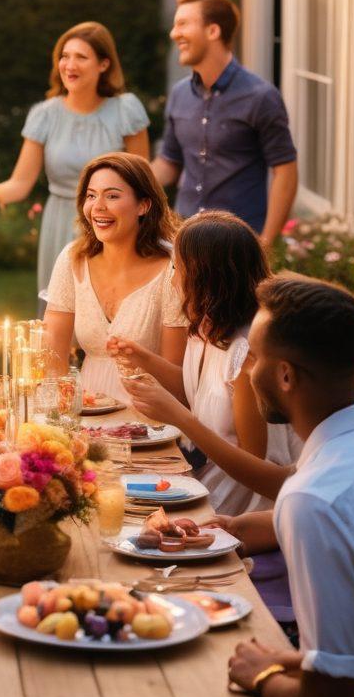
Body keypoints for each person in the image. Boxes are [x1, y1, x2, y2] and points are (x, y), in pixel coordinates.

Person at [225, 274, 354, 697]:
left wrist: (261, 675)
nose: (250, 372)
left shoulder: (312, 499)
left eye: (255, 359)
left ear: (285, 375)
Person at [115, 212, 295, 513]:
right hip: (201, 478)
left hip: (241, 504)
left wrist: (179, 418)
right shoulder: (205, 330)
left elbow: (255, 467)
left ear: (208, 277)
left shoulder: (247, 354)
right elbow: (196, 394)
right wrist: (144, 359)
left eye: (177, 268)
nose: (172, 279)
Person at [0, 22, 150, 300]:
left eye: (81, 57)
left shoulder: (126, 111)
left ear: (104, 64)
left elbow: (142, 184)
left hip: (113, 225)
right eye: (64, 56)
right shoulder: (45, 114)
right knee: (61, 312)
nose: (69, 64)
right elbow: (20, 184)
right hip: (60, 223)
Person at [152, 0, 297, 246]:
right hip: (183, 238)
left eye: (183, 24)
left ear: (213, 31)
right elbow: (169, 163)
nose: (174, 34)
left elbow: (285, 171)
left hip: (237, 245)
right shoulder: (179, 94)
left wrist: (266, 241)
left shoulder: (261, 96)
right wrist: (125, 183)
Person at [43, 153, 186, 398]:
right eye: (91, 195)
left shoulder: (172, 267)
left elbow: (181, 385)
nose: (97, 207)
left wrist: (141, 359)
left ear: (144, 205)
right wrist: (61, 418)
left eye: (112, 196)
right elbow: (51, 361)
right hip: (87, 414)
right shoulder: (72, 259)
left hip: (155, 420)